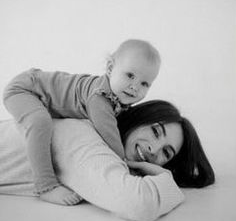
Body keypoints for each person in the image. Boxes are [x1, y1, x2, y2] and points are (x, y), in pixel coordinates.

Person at [0, 100, 215, 221]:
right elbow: (139, 203)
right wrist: (166, 180)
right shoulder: (84, 138)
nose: (153, 149)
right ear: (138, 118)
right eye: (155, 131)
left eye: (166, 154)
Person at [3, 39, 161, 205]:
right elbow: (109, 134)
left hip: (36, 88)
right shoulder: (99, 97)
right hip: (24, 89)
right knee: (40, 122)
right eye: (130, 76)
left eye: (144, 84)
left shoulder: (115, 98)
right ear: (110, 68)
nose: (135, 87)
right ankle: (46, 186)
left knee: (47, 122)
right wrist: (126, 165)